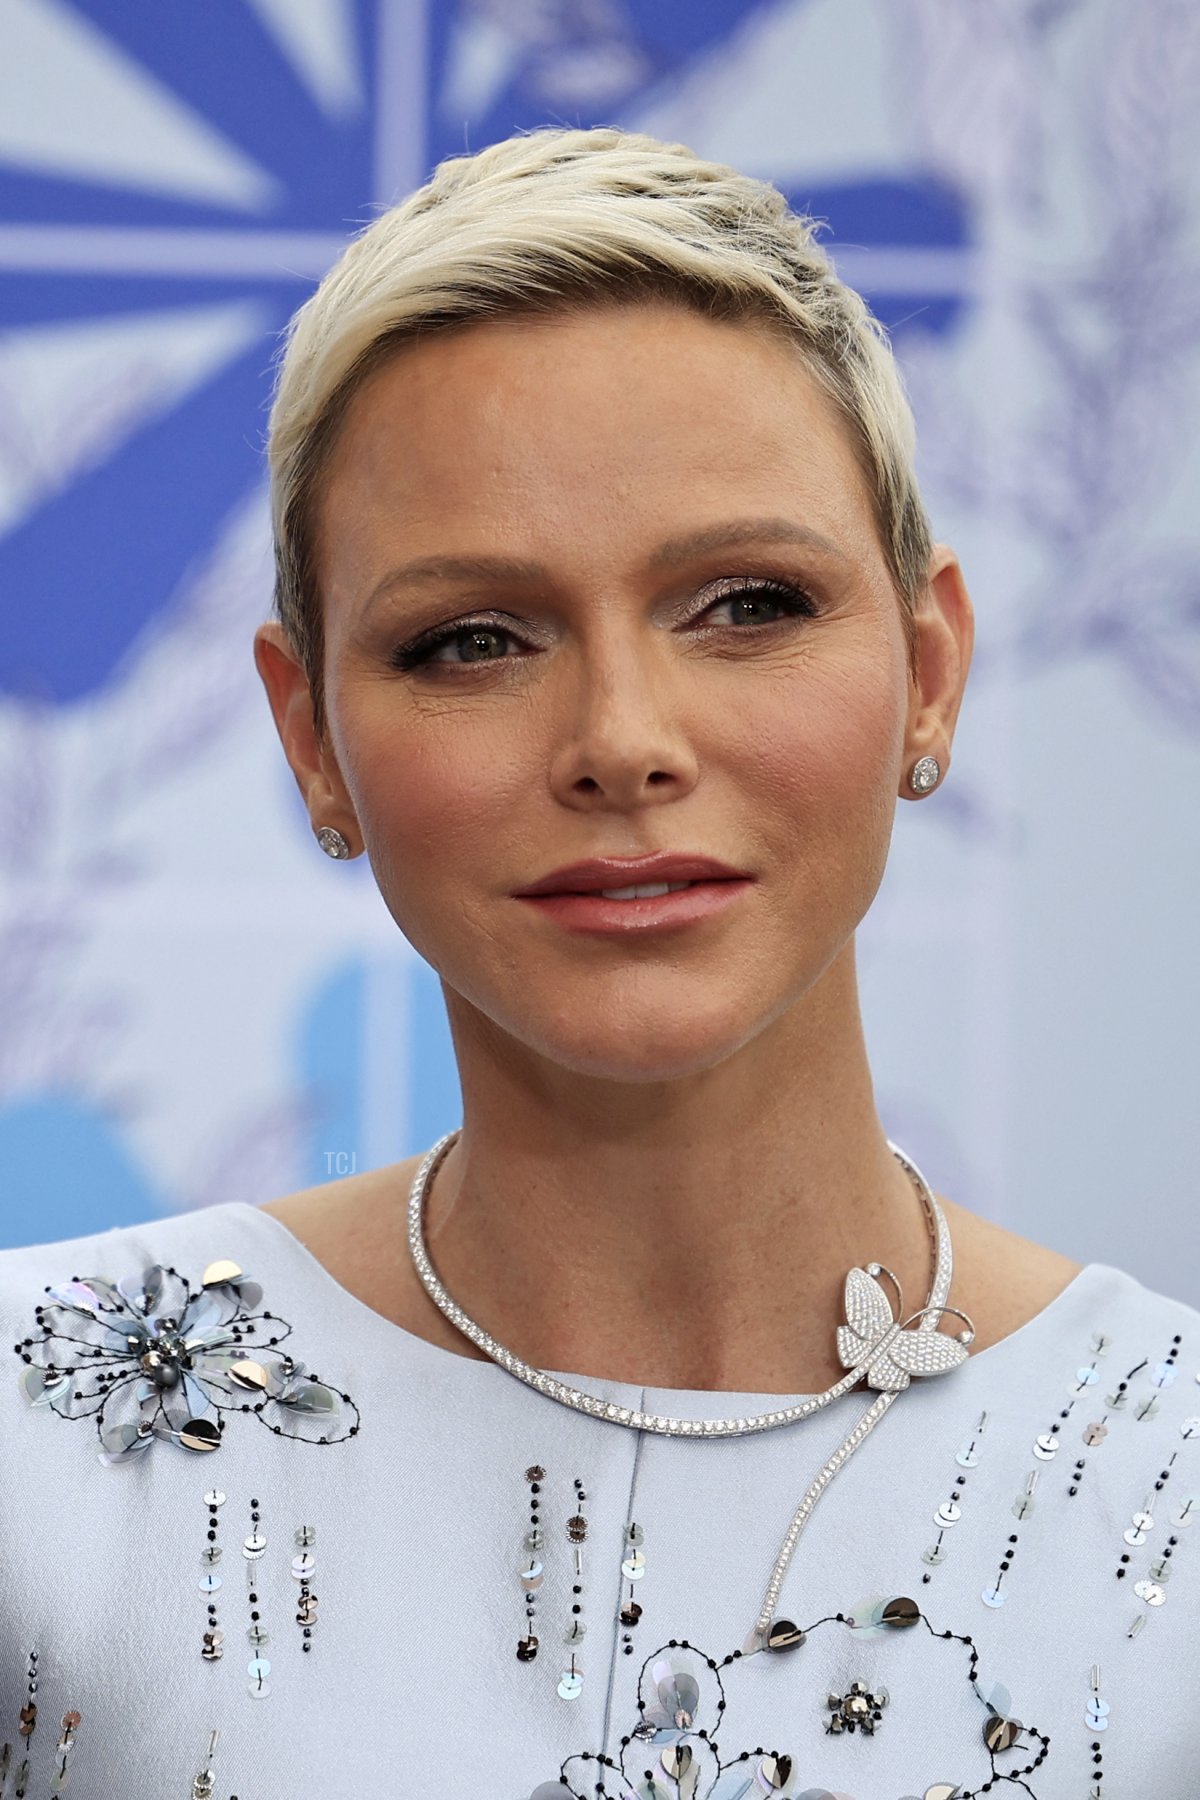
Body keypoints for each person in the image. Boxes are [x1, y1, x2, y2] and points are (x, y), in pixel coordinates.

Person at [1, 127, 1195, 1799]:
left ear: (928, 673)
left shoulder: (1169, 1487)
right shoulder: (40, 1456)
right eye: (472, 640)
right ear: (313, 738)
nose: (623, 741)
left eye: (748, 604)